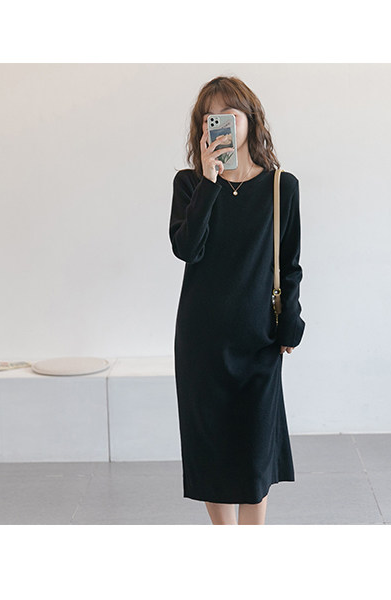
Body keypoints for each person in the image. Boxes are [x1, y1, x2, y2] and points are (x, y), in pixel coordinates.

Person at [169, 75, 306, 525]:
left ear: (250, 119)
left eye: (229, 115)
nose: (220, 124)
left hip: (258, 340)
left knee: (255, 451)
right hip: (202, 342)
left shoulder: (281, 187)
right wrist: (209, 183)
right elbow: (187, 250)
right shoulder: (189, 185)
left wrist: (290, 325)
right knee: (212, 450)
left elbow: (289, 265)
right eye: (210, 118)